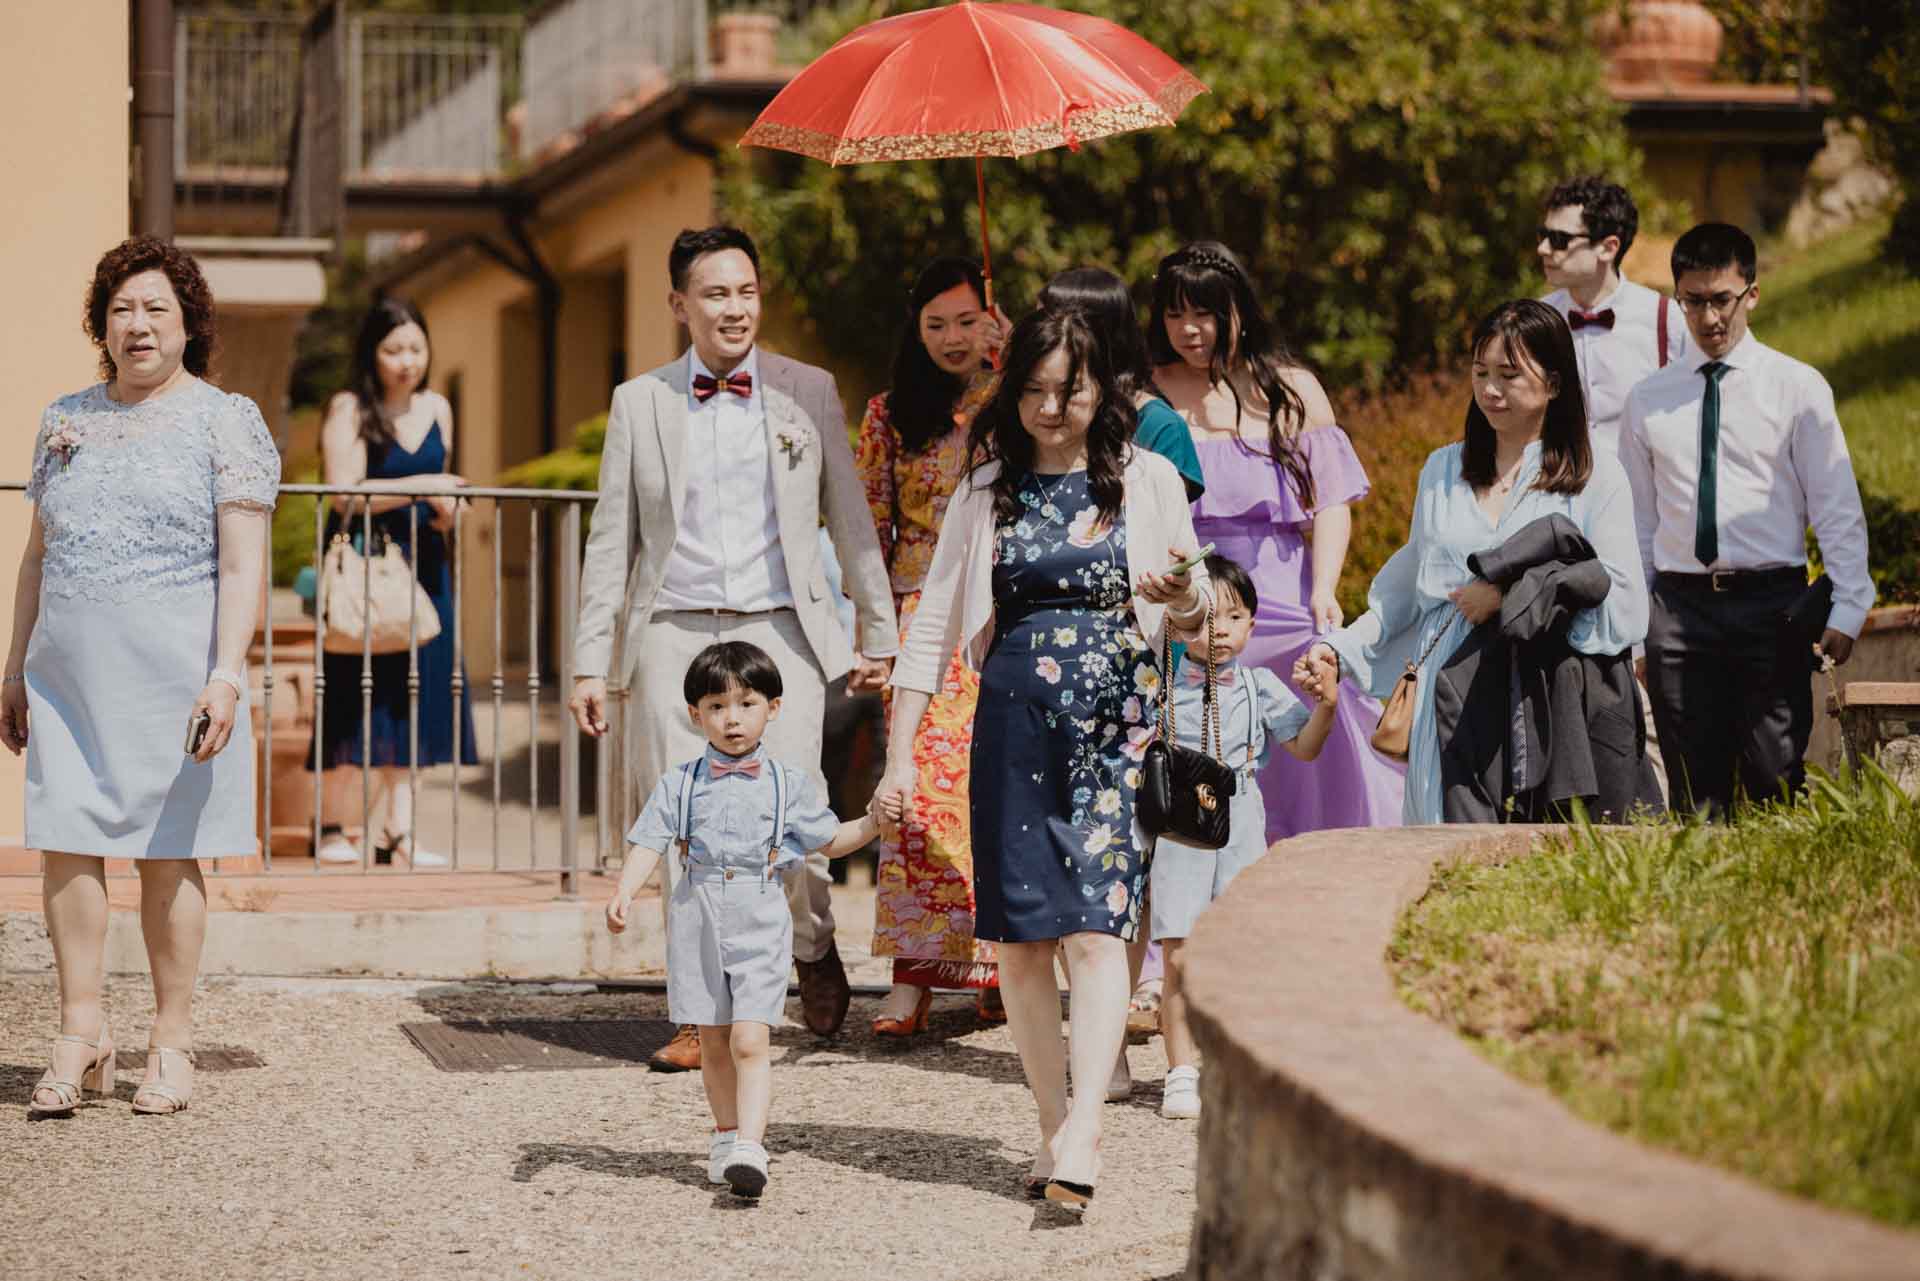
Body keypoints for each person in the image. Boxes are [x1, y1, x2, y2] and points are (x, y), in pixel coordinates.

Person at [875, 307, 1211, 1209]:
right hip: (1014, 725)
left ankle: (1089, 1130)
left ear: (1103, 387)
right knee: (1022, 942)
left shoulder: (1145, 478)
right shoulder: (986, 489)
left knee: (1099, 929)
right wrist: (898, 757)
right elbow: (930, 632)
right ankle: (1052, 1120)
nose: (1053, 407)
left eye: (1071, 389)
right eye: (1034, 391)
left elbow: (1197, 612)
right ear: (1011, 391)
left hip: (1117, 727)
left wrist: (1181, 593)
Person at [570, 226, 898, 1071]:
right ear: (679, 305)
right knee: (689, 828)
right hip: (673, 631)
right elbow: (612, 540)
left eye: (746, 291)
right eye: (715, 293)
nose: (735, 307)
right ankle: (699, 1010)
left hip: (780, 630)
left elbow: (850, 517)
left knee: (795, 817)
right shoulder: (639, 402)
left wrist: (878, 632)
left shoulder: (808, 391)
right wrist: (588, 660)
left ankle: (813, 941)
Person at [4, 236, 279, 1116]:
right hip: (67, 673)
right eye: (122, 308)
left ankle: (170, 1039)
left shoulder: (223, 418)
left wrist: (227, 675)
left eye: (157, 308)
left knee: (169, 857)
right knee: (66, 843)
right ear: (102, 323)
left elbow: (243, 568)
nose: (139, 324)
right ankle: (81, 1033)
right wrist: (14, 666)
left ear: (189, 323)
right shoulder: (65, 419)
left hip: (175, 673)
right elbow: (36, 558)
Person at [1305, 300, 1648, 824]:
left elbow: (1621, 601)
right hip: (1450, 697)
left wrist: (1510, 600)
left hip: (1541, 698)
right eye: (1480, 372)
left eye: (1509, 375)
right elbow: (1406, 589)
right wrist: (1339, 649)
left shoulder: (1595, 473)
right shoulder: (1443, 469)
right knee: (1448, 863)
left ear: (1554, 384)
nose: (1490, 390)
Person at [606, 642, 890, 1198]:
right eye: (715, 706)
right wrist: (624, 890)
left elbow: (832, 840)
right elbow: (648, 840)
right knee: (712, 1040)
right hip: (697, 917)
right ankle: (725, 1133)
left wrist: (875, 820)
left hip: (760, 917)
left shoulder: (788, 784)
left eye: (745, 703)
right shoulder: (681, 781)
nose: (731, 718)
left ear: (773, 708)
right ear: (695, 716)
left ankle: (751, 1147)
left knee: (750, 1040)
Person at [1149, 241, 1404, 841]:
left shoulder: (1291, 388)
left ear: (1239, 309)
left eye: (1205, 313)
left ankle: (1314, 850)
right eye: (1174, 314)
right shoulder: (1149, 389)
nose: (1190, 330)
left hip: (1282, 592)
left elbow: (1332, 503)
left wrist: (1325, 588)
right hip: (1190, 595)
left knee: (1311, 699)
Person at [1619, 223, 1873, 817]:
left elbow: (1834, 501)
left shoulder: (1797, 388)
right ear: (1678, 297)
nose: (1709, 318)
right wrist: (1638, 625)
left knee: (1773, 774)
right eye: (1694, 301)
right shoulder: (1648, 399)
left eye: (1722, 299)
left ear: (1751, 294)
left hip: (1771, 605)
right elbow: (1638, 524)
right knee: (1693, 792)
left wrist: (1850, 604)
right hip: (1679, 612)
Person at [1032, 265, 1209, 1094]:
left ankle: (1119, 1041)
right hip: (1042, 683)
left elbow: (1181, 555)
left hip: (1134, 676)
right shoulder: (1027, 429)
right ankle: (1096, 1027)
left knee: (1125, 862)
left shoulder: (1159, 430)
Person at [854, 258, 1006, 1035]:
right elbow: (868, 531)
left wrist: (1014, 371)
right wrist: (875, 636)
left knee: (1001, 794)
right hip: (923, 619)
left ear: (994, 318)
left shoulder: (1017, 402)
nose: (953, 336)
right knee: (917, 798)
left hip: (1004, 613)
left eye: (967, 319)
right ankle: (912, 977)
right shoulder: (888, 414)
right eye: (936, 323)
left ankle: (1004, 965)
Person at [1153, 555, 1339, 1120]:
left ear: (1252, 626)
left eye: (1233, 618)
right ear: (1178, 622)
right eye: (1207, 617)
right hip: (1182, 825)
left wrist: (1326, 706)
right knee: (1180, 951)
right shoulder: (1158, 683)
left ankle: (1231, 1059)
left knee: (1238, 946)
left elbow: (1303, 747)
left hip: (1241, 822)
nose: (1220, 630)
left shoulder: (1261, 687)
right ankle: (1180, 1069)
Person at [307, 299, 477, 866]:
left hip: (427, 566)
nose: (406, 361)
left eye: (415, 348)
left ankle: (396, 833)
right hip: (366, 568)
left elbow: (439, 498)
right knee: (355, 693)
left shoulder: (439, 407)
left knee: (417, 696)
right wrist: (425, 483)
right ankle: (330, 825)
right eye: (393, 349)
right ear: (371, 353)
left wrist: (450, 510)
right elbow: (343, 494)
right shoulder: (350, 407)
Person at [1537, 175, 1688, 458]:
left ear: (1608, 247)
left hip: (1641, 497)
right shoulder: (1537, 321)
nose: (1543, 248)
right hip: (1559, 493)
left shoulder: (1666, 320)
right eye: (1542, 235)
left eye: (1559, 240)